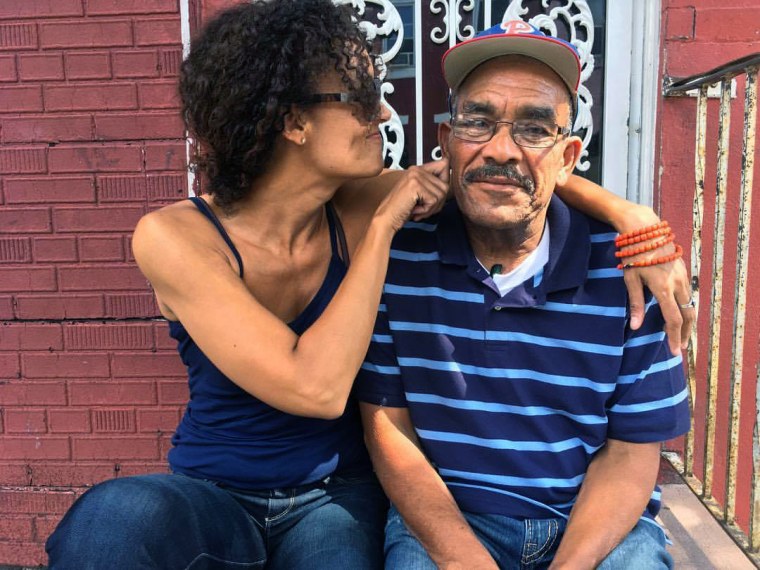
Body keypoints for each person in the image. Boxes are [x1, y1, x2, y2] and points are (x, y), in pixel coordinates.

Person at [45, 3, 691, 569]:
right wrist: (382, 227)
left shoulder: (369, 199)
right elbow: (318, 388)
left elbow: (501, 167)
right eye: (359, 96)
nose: (382, 110)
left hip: (335, 495)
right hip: (218, 487)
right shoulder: (183, 235)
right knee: (110, 520)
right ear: (294, 121)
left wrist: (635, 222)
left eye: (378, 90)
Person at [357, 21, 691, 570]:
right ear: (445, 142)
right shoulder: (399, 255)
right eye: (478, 121)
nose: (502, 149)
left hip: (591, 522)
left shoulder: (631, 268)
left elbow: (633, 452)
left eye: (535, 129)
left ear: (567, 157)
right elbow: (388, 426)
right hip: (450, 522)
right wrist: (465, 560)